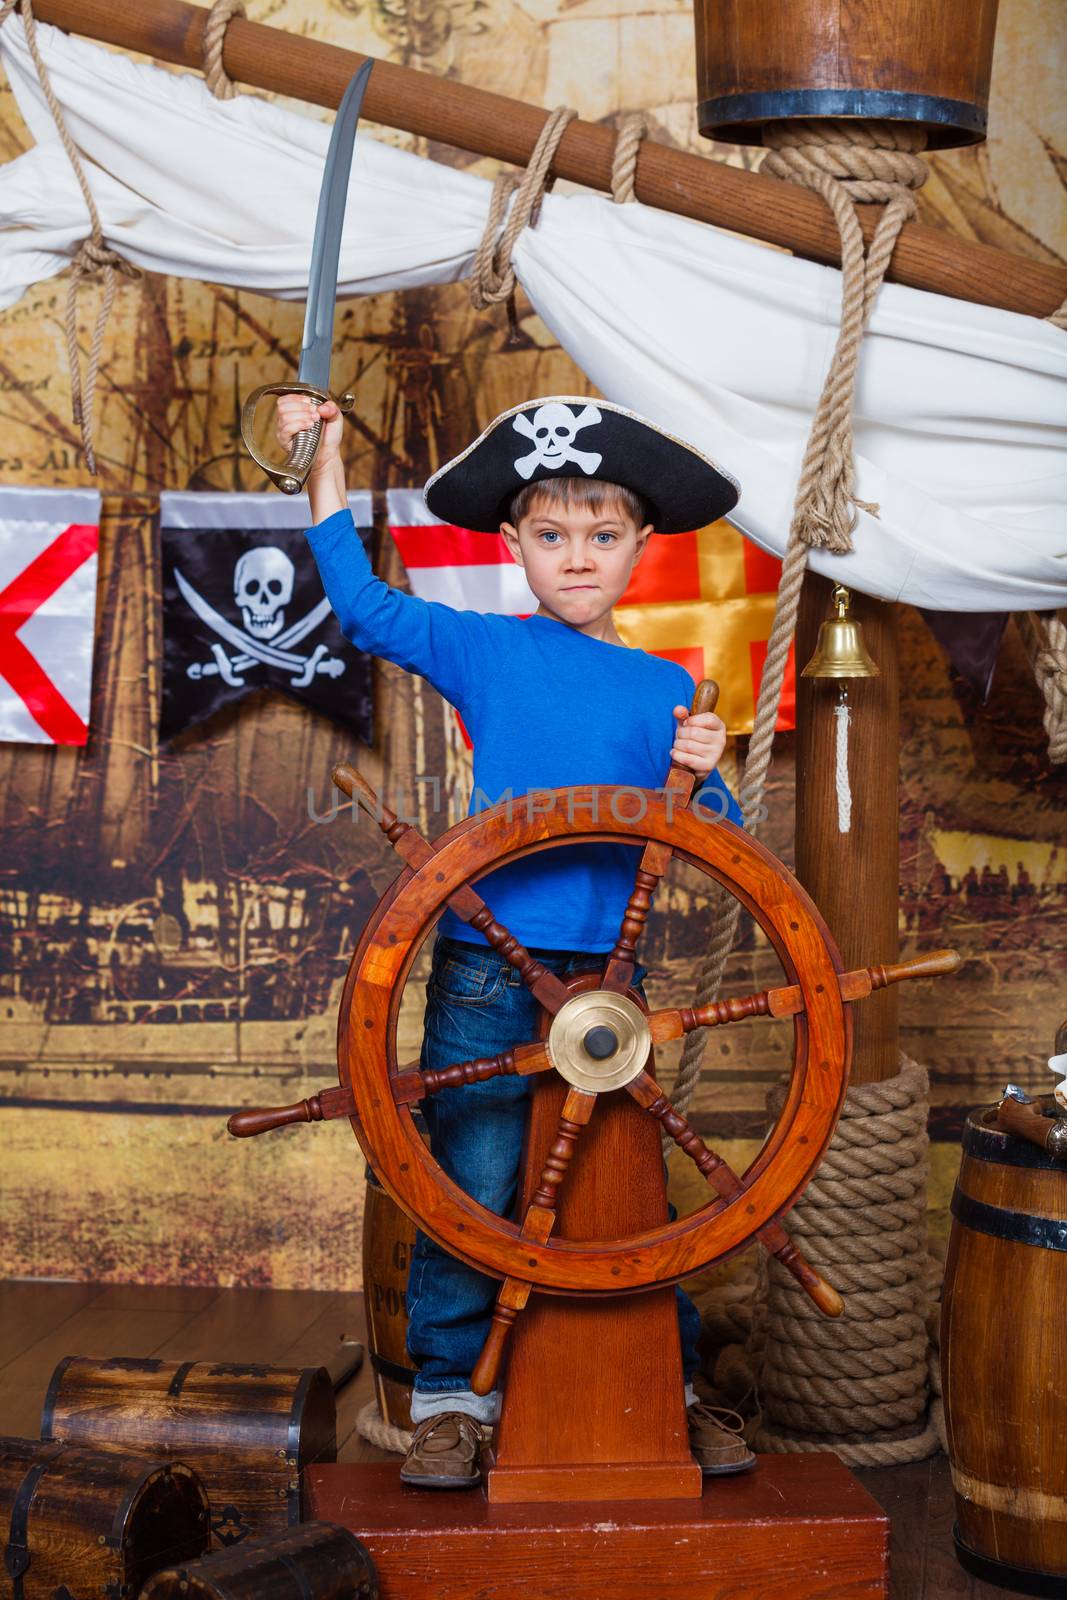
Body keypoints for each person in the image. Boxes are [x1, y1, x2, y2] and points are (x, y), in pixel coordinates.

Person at [278, 391, 755, 1488]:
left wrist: (702, 756)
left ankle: (666, 1391)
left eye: (600, 535)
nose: (575, 557)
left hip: (609, 980)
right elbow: (355, 603)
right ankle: (452, 1400)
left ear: (642, 545)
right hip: (490, 970)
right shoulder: (480, 650)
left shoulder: (666, 688)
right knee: (474, 1181)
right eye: (551, 535)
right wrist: (328, 459)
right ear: (513, 545)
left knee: (629, 1187)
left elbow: (717, 837)